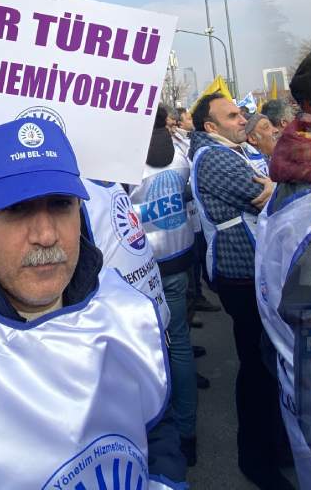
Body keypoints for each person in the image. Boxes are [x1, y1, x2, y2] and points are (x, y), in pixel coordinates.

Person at [0, 118, 185, 487]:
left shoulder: (127, 310)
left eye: (60, 204)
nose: (45, 235)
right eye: (17, 208)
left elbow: (155, 426)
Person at [188, 93, 287, 488]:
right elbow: (267, 194)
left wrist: (273, 187)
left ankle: (273, 445)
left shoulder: (231, 151)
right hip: (240, 274)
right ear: (211, 127)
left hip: (251, 271)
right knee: (257, 369)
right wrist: (276, 187)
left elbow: (272, 190)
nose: (241, 119)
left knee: (266, 363)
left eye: (241, 112)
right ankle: (256, 458)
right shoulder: (214, 157)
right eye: (232, 115)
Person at [130, 107, 200, 466]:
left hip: (141, 267)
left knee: (147, 353)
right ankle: (188, 436)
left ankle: (156, 434)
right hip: (179, 254)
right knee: (180, 345)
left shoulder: (127, 159)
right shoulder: (181, 154)